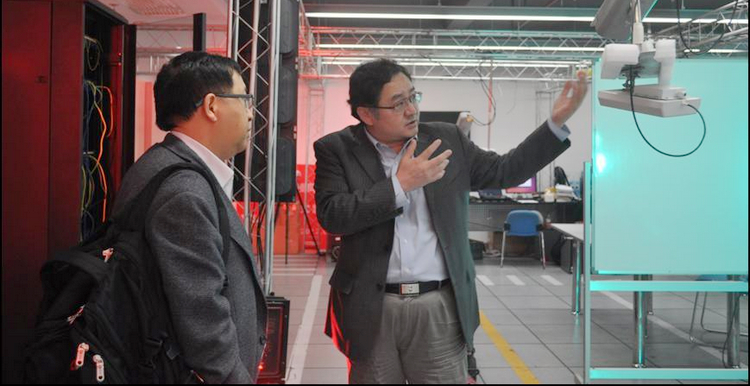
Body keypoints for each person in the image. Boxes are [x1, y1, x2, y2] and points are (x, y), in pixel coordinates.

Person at [314, 59, 587, 384]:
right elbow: (333, 215)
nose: (412, 110)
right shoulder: (336, 149)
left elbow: (505, 170)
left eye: (413, 97)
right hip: (370, 309)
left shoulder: (446, 139)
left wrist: (555, 123)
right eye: (398, 103)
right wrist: (399, 186)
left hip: (439, 307)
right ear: (366, 114)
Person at [111, 51, 267, 383]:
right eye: (244, 100)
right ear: (211, 106)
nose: (251, 114)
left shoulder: (167, 163)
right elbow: (202, 318)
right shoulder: (184, 190)